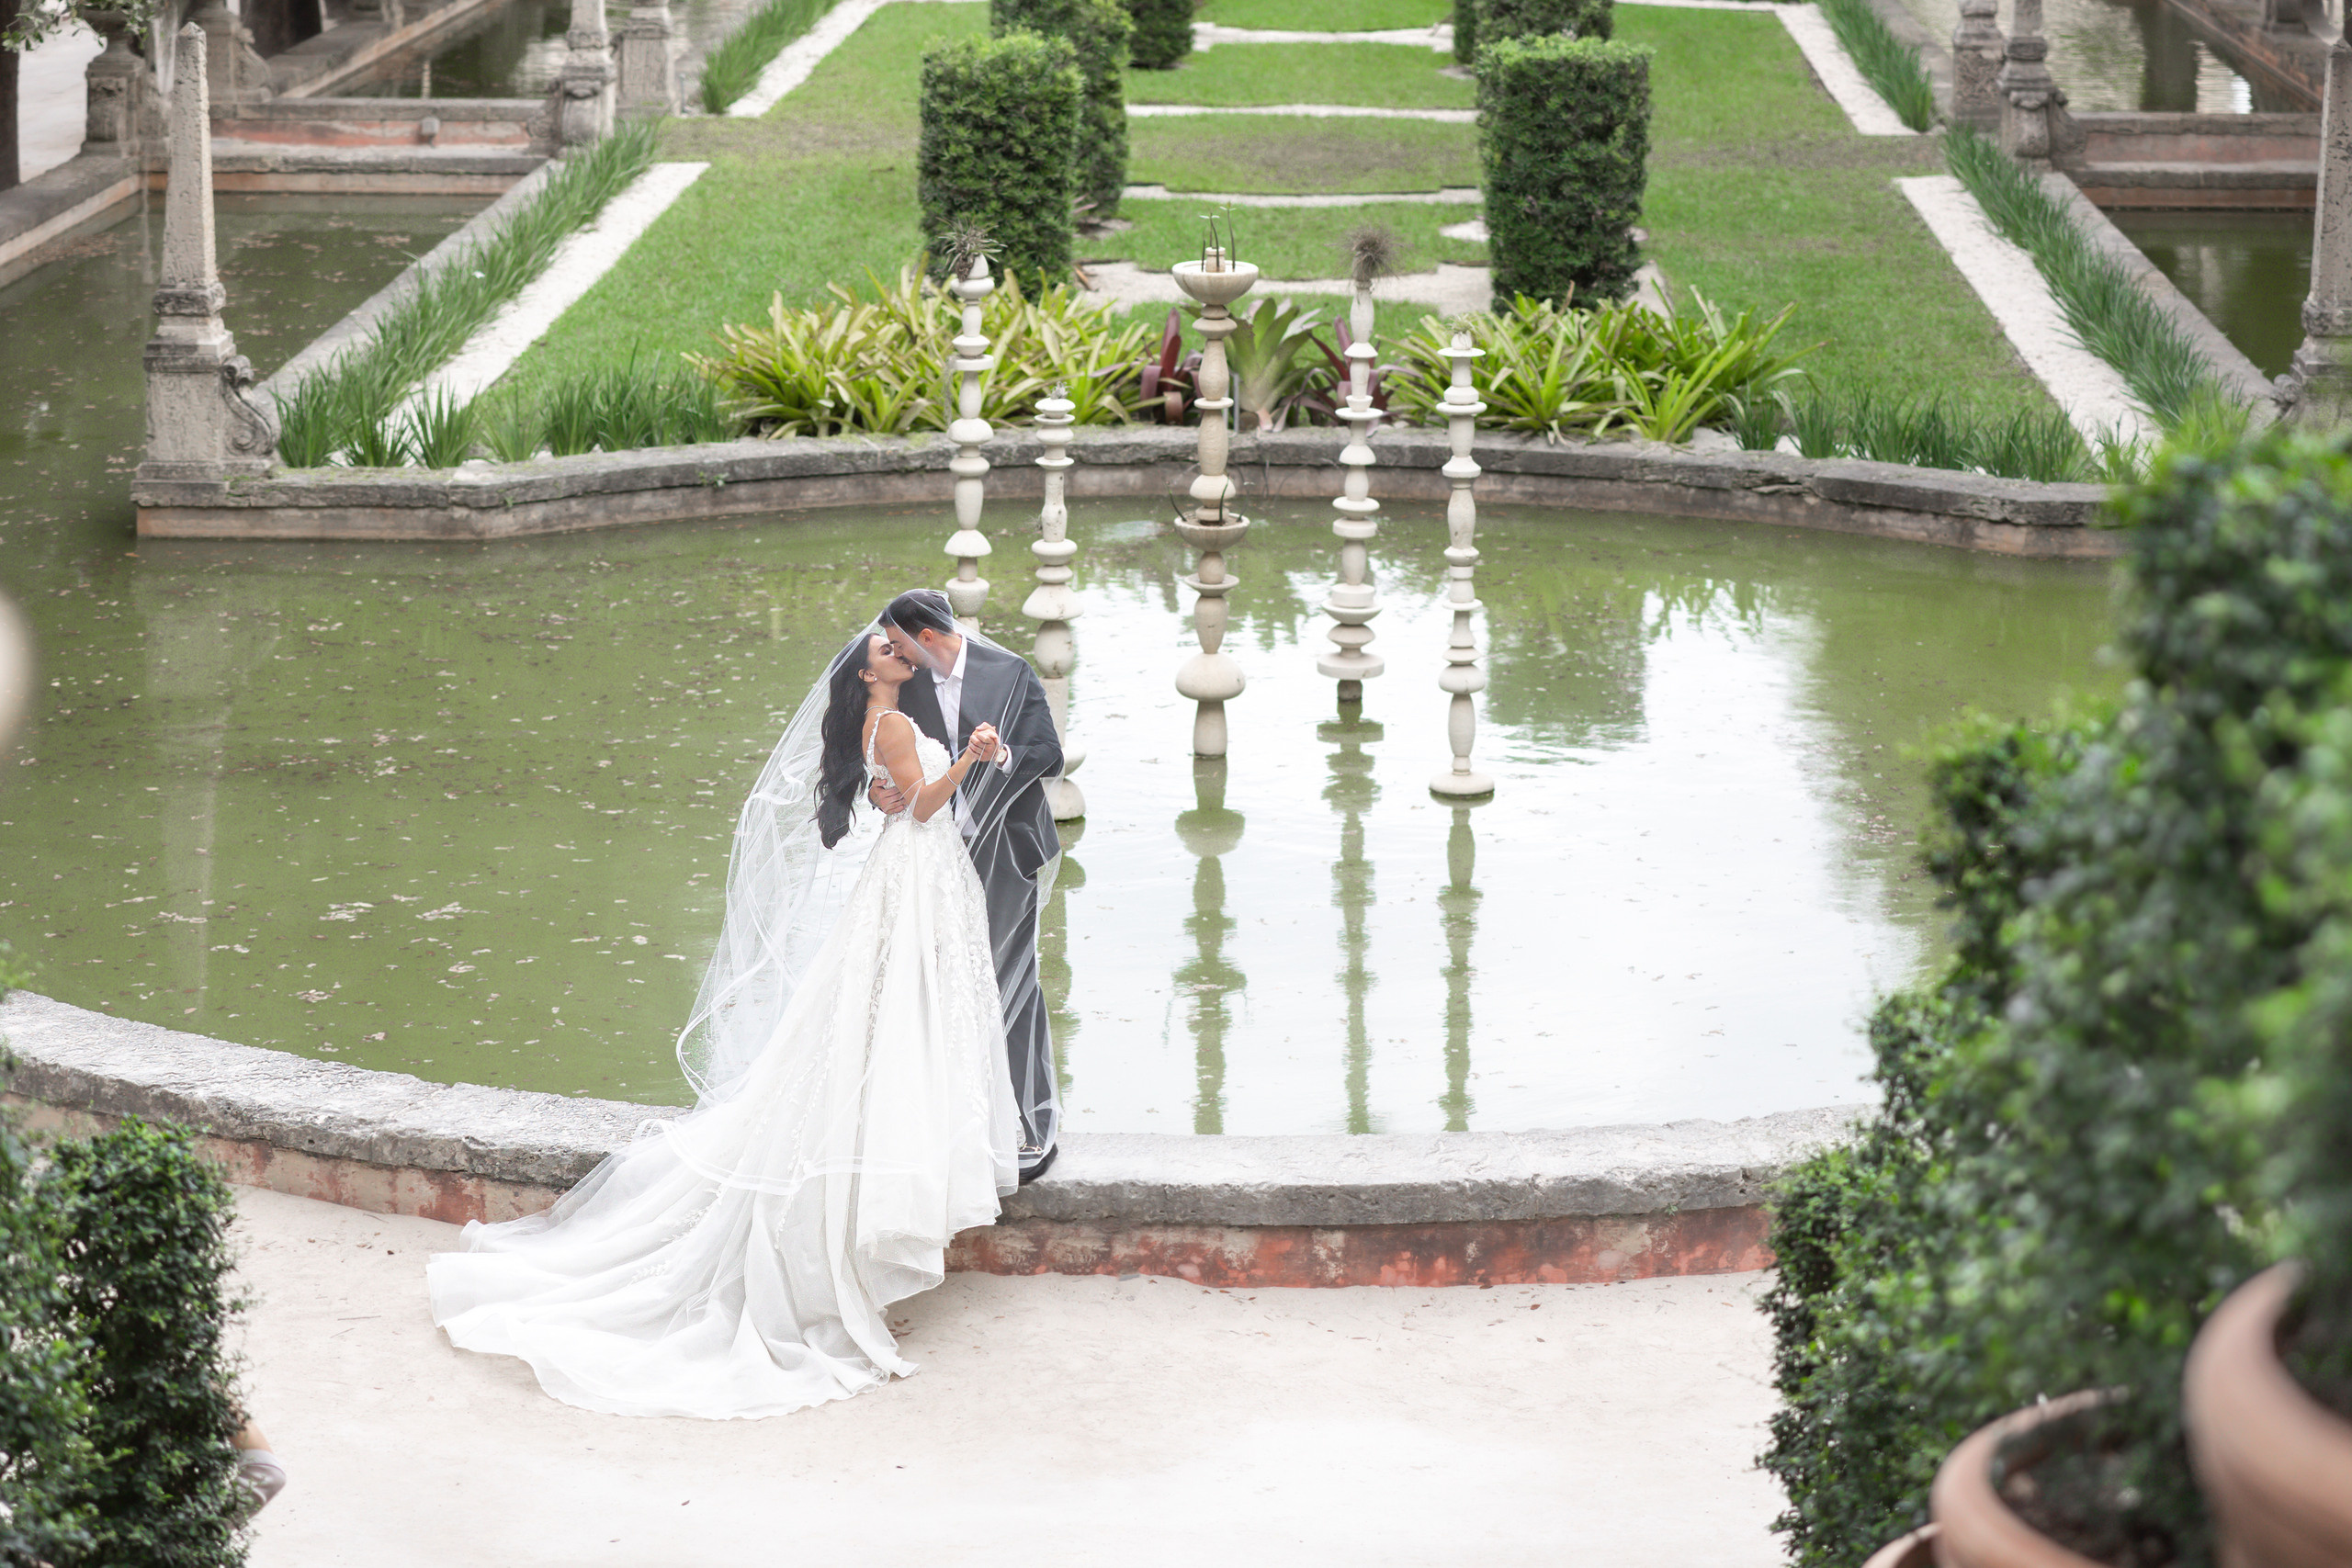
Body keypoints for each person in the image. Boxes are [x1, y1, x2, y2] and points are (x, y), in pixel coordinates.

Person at [425, 625, 1022, 1419]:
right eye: (884, 648)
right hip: (914, 871)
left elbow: (900, 795)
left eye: (897, 644)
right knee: (891, 1021)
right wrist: (970, 761)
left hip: (913, 876)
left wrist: (978, 751)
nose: (897, 649)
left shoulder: (887, 723)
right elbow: (918, 806)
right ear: (866, 671)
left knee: (883, 1021)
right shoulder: (894, 723)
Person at [873, 589, 1066, 1180]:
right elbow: (885, 752)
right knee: (943, 986)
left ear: (926, 637)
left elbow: (1048, 755)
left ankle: (1032, 1126)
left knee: (1013, 980)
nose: (894, 654)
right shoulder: (904, 684)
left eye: (900, 642)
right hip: (936, 856)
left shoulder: (1009, 673)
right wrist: (877, 792)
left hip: (1007, 852)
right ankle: (955, 1125)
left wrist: (1001, 753)